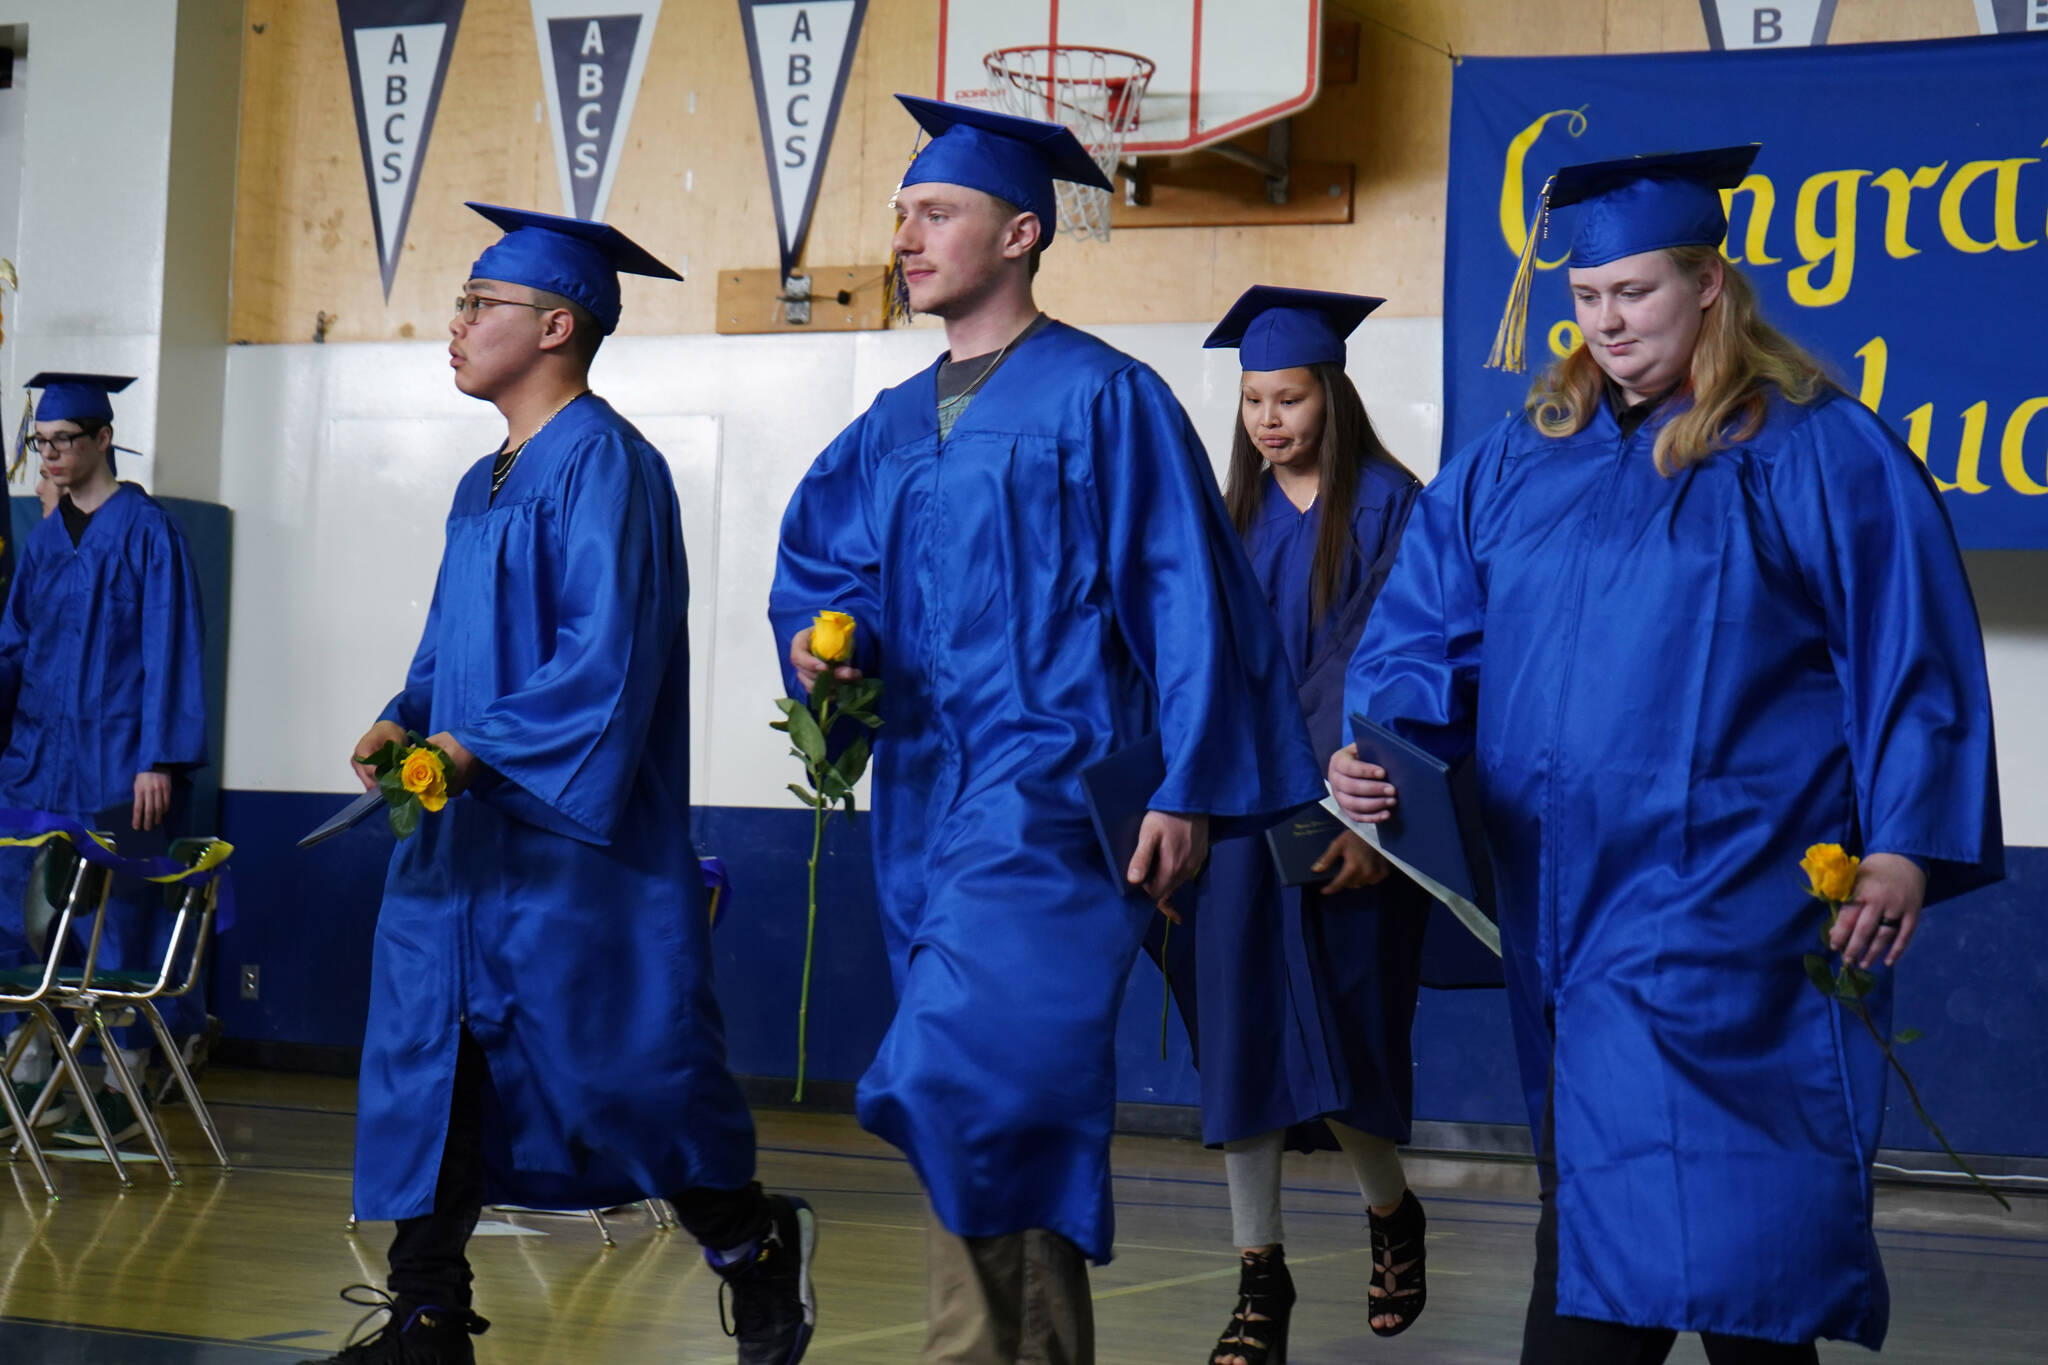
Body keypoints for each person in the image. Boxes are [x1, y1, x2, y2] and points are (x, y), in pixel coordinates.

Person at [1331, 146, 2003, 1363]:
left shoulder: (1813, 449)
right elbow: (1416, 642)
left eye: (1631, 292)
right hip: (1571, 921)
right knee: (1602, 1237)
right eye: (1584, 298)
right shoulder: (1512, 461)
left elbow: (1909, 655)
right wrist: (1379, 755)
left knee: (1748, 1271)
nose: (1604, 322)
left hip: (1741, 921)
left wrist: (1903, 846)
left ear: (1708, 284)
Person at [770, 97, 1325, 1365]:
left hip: (1053, 797)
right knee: (989, 1100)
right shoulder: (890, 427)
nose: (906, 236)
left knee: (962, 1072)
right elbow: (820, 569)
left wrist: (1185, 785)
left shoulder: (1103, 398)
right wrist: (820, 642)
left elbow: (1187, 596)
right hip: (922, 798)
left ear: (1020, 232)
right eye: (902, 212)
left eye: (938, 212)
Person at [307, 204, 815, 1365]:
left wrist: (478, 748)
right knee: (430, 1060)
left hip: (568, 841)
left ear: (554, 324)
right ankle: (427, 1312)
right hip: (457, 834)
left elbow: (607, 656)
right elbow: (446, 642)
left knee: (623, 1072)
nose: (455, 325)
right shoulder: (480, 482)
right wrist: (405, 713)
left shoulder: (609, 465)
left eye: (477, 306)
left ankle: (750, 1241)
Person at [1169, 287, 1430, 1365]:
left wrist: (1361, 805)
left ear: (1330, 394)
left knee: (1352, 1047)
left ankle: (1390, 1213)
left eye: (1287, 398)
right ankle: (1257, 1279)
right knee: (1240, 1050)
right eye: (1251, 401)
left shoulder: (1387, 506)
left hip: (1349, 815)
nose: (1267, 420)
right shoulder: (1222, 522)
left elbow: (1388, 664)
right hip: (1236, 819)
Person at [0, 372, 208, 1146]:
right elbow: (13, 646)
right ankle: (28, 1074)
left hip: (126, 765)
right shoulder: (46, 540)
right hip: (36, 760)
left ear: (100, 439)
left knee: (119, 921)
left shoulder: (150, 531)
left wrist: (160, 757)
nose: (49, 455)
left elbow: (172, 645)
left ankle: (119, 1080)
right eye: (39, 443)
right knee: (14, 913)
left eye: (62, 441)